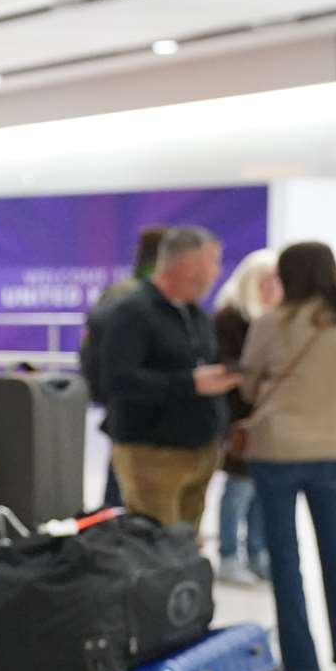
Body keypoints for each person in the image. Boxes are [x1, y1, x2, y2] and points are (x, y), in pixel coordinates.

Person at [239, 241, 336, 671]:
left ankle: (303, 666)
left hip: (276, 450)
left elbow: (249, 384)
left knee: (285, 555)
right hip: (335, 448)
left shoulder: (270, 323)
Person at [96, 226, 240, 529]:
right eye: (212, 262)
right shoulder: (132, 313)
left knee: (185, 549)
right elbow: (118, 380)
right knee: (157, 550)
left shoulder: (195, 314)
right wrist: (190, 383)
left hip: (200, 450)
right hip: (153, 454)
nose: (217, 272)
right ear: (187, 265)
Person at [79, 225, 166, 507]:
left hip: (128, 403)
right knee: (124, 483)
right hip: (133, 405)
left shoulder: (123, 293)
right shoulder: (133, 298)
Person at [211, 250, 280, 585]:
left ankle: (257, 553)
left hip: (269, 419)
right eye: (267, 280)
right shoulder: (231, 317)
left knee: (262, 492)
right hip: (239, 417)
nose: (273, 287)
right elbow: (228, 366)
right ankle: (227, 555)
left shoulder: (274, 319)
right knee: (239, 489)